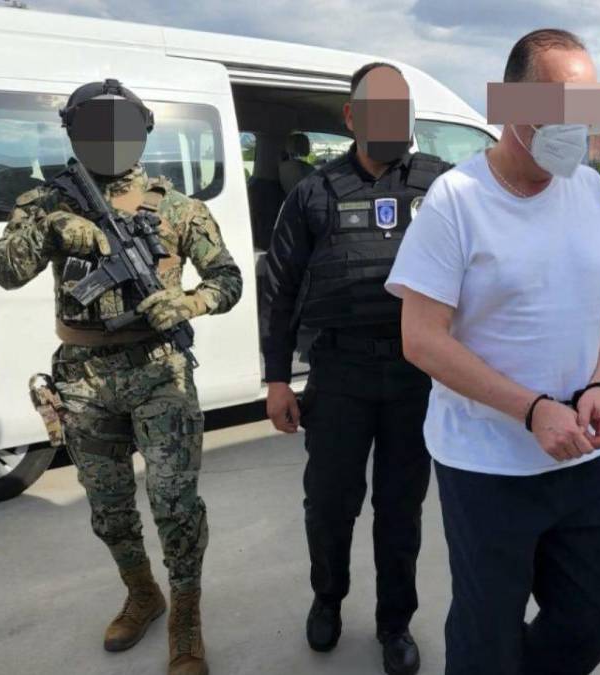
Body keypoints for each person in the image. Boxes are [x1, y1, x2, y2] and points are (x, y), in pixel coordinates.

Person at [386, 29, 600, 675]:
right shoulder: (456, 201)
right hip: (487, 465)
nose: (573, 128)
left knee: (596, 615)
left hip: (581, 456)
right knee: (487, 634)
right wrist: (531, 409)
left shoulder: (590, 191)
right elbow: (421, 336)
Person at [0, 79, 242, 675]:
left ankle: (185, 614)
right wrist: (50, 228)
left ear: (143, 130)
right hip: (83, 377)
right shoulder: (43, 202)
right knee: (108, 506)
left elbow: (227, 279)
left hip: (159, 371)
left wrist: (189, 304)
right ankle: (142, 593)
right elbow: (4, 271)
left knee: (175, 503)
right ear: (73, 132)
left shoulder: (179, 208)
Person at [261, 62, 449, 675]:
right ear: (352, 116)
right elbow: (280, 289)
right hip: (339, 373)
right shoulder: (314, 193)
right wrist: (277, 379)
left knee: (401, 510)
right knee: (330, 504)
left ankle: (395, 623)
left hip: (414, 377)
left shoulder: (441, 187)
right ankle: (328, 599)